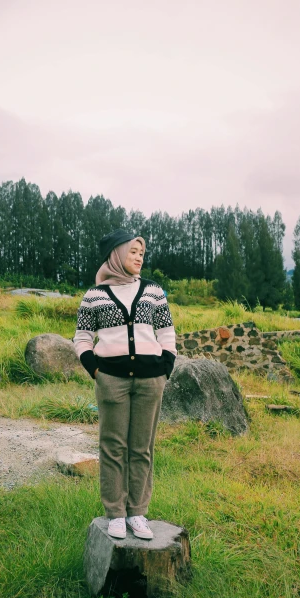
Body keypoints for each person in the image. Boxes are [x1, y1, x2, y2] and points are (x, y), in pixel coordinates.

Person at [73, 229, 177, 540]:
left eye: (141, 253)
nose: (138, 257)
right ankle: (116, 514)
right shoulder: (94, 296)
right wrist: (96, 371)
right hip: (111, 381)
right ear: (116, 255)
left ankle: (138, 513)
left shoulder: (153, 292)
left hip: (150, 381)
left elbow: (167, 332)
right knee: (113, 448)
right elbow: (81, 337)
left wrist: (166, 367)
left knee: (142, 448)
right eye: (132, 252)